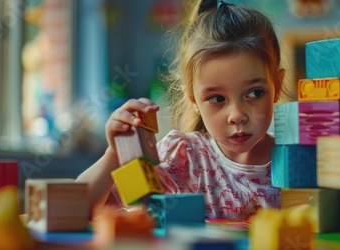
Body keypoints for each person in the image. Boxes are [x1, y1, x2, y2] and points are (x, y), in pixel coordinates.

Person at [76, 0, 292, 220]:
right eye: (217, 98)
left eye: (254, 93)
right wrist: (113, 155)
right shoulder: (182, 158)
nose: (237, 115)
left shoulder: (299, 160)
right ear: (192, 99)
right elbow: (77, 211)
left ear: (277, 84)